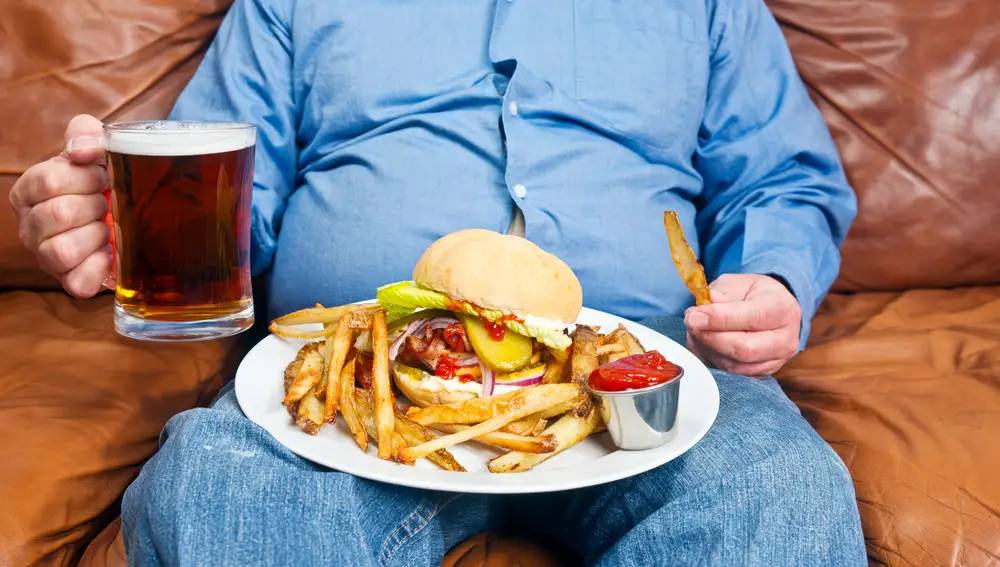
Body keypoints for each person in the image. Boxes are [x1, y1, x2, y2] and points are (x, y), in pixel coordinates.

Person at [9, 0, 866, 565]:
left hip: (644, 376)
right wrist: (123, 226)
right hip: (354, 392)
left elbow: (782, 180)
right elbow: (223, 202)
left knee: (777, 496)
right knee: (222, 489)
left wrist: (772, 273)